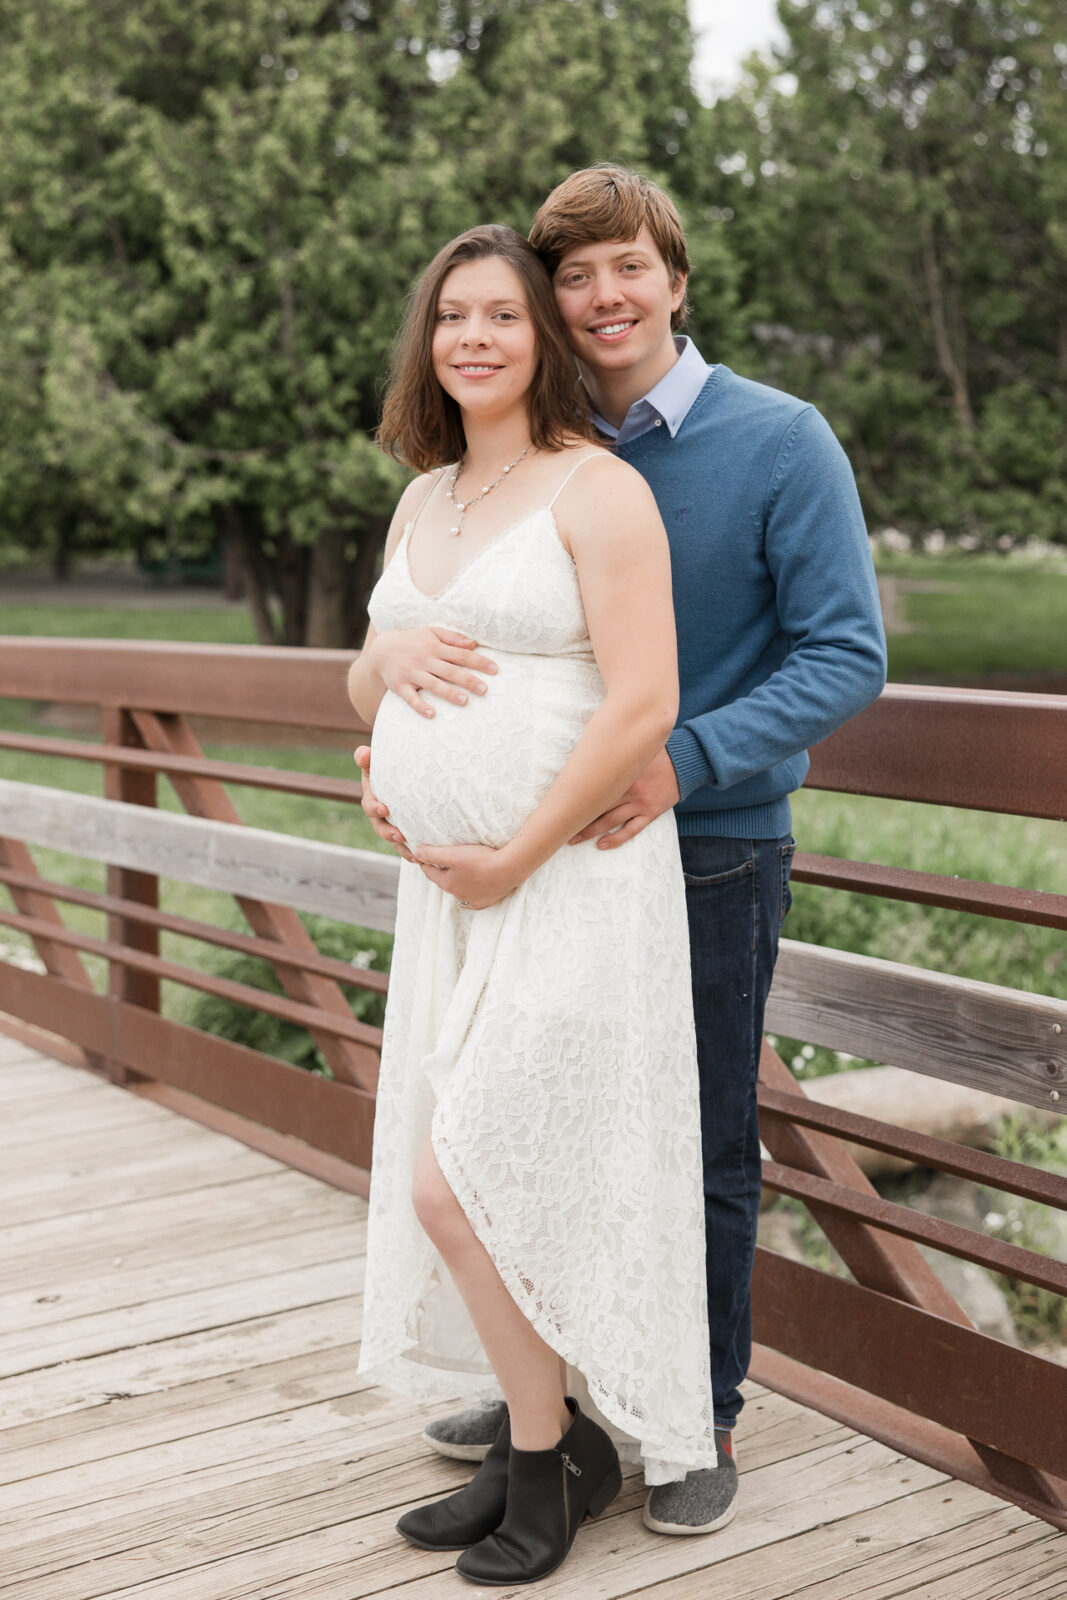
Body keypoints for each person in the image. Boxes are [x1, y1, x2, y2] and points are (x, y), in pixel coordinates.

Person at [356, 168, 888, 1538]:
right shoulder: (527, 439)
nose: (601, 298)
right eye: (573, 275)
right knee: (538, 1133)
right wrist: (396, 733)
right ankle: (560, 1400)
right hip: (530, 866)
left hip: (705, 840)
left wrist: (684, 762)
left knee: (692, 1139)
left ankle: (694, 1412)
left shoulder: (778, 442)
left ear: (676, 280)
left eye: (627, 270)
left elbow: (847, 652)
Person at [347, 222, 718, 1586]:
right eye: (453, 316)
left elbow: (645, 703)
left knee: (467, 1180)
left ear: (543, 339)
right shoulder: (424, 495)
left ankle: (556, 1455)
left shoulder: (595, 488)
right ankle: (535, 1446)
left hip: (570, 882)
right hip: (450, 899)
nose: (477, 339)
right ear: (427, 340)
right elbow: (369, 684)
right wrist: (379, 695)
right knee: (471, 1172)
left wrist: (512, 849)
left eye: (505, 314)